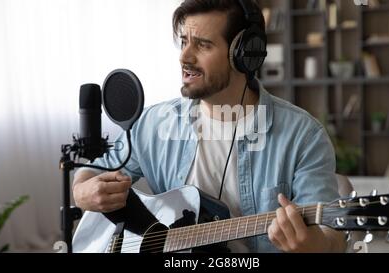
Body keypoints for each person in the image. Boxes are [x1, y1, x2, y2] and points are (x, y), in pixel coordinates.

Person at [73, 0, 345, 253]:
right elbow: (92, 172)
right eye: (183, 42)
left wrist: (311, 245)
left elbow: (331, 235)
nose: (184, 57)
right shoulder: (152, 124)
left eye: (202, 45)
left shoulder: (304, 137)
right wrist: (83, 192)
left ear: (244, 55)